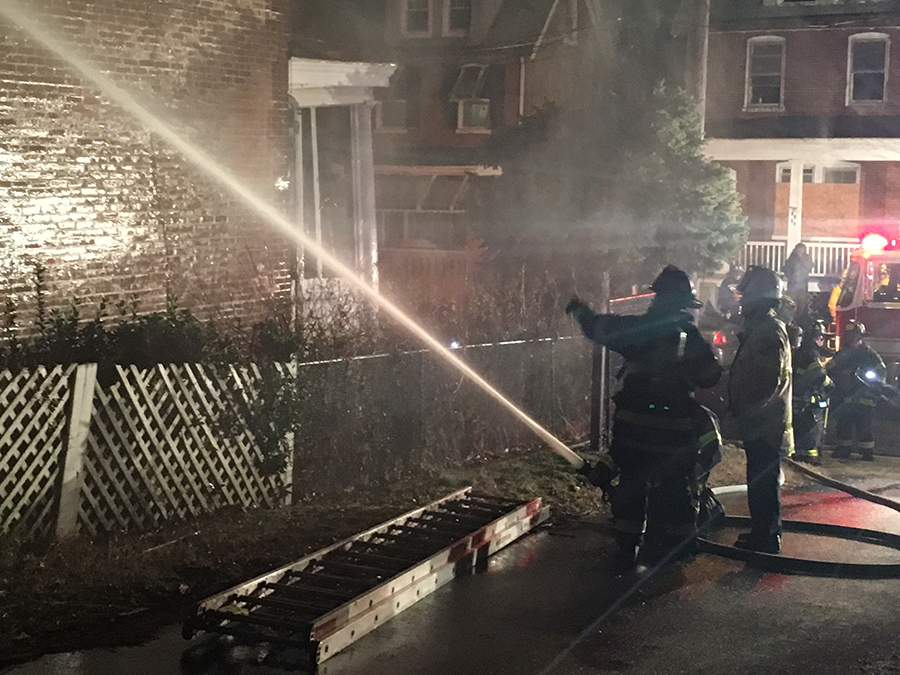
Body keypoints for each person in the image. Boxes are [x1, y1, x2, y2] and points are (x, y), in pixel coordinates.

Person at [566, 265, 723, 568]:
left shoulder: (638, 329)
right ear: (683, 304)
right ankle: (676, 549)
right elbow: (710, 376)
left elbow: (600, 328)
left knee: (632, 486)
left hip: (632, 431)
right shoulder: (689, 337)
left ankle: (627, 546)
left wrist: (580, 311)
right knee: (676, 490)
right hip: (673, 434)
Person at [728, 265, 793, 554]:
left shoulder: (767, 331)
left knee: (764, 483)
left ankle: (767, 537)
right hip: (760, 422)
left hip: (765, 424)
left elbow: (767, 381)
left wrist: (744, 408)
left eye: (745, 296)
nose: (740, 302)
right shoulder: (761, 329)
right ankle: (762, 532)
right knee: (759, 482)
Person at [827, 320, 885, 461]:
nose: (850, 336)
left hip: (864, 397)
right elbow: (830, 370)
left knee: (864, 426)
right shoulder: (842, 354)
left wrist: (875, 387)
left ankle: (867, 451)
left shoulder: (869, 354)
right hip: (844, 397)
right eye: (848, 334)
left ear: (860, 335)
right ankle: (843, 448)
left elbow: (881, 371)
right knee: (844, 424)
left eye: (854, 334)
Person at [791, 320, 833, 464]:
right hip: (808, 400)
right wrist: (830, 385)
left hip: (795, 399)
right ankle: (810, 457)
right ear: (817, 338)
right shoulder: (811, 354)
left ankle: (798, 455)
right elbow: (818, 375)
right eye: (822, 338)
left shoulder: (796, 353)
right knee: (812, 428)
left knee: (797, 428)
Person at [783, 243, 814, 318]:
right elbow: (786, 268)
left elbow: (810, 266)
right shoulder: (792, 258)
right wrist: (790, 277)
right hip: (793, 284)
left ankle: (800, 318)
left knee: (802, 303)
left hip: (802, 285)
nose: (800, 250)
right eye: (799, 249)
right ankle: (790, 318)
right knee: (790, 302)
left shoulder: (807, 258)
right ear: (796, 249)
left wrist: (802, 259)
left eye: (802, 249)